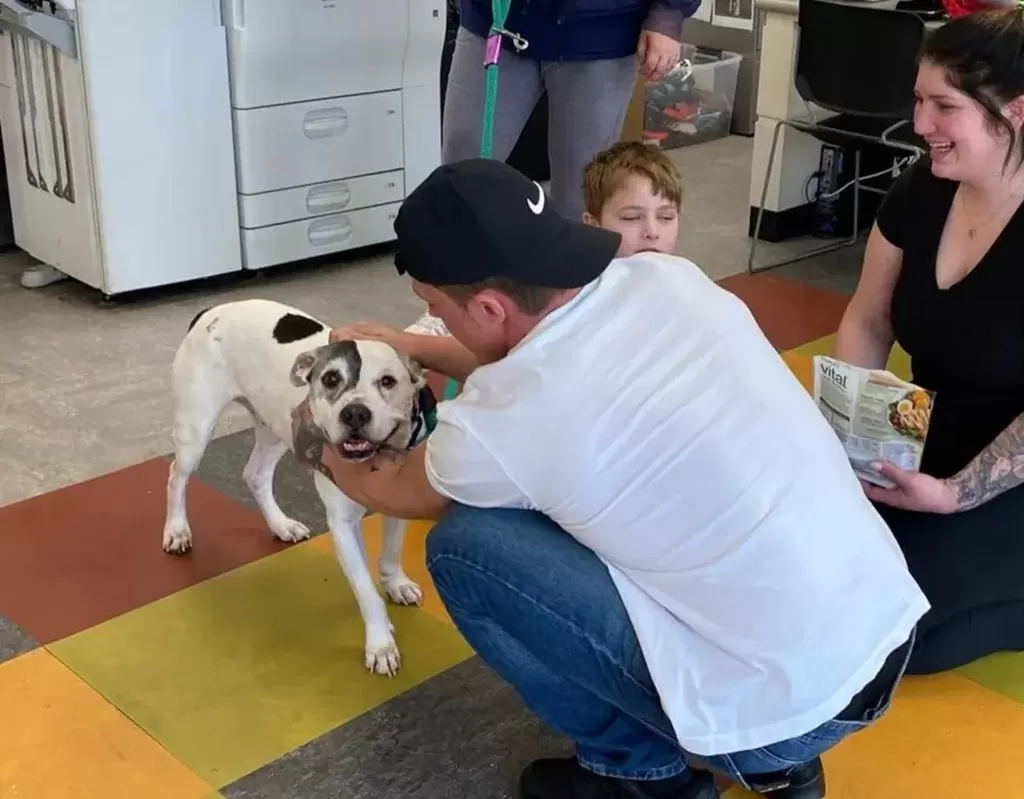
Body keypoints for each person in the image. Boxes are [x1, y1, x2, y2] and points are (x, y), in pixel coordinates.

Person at [298, 157, 930, 799]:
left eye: (433, 309)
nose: (432, 322)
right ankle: (777, 750)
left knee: (468, 546)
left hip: (783, 719)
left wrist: (304, 420)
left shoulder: (500, 426)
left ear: (488, 306)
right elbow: (537, 360)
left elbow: (387, 485)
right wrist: (416, 350)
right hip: (885, 627)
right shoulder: (664, 277)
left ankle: (641, 775)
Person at [832, 0, 1024, 676]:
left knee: (884, 638)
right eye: (917, 100)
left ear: (1015, 112)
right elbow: (868, 319)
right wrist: (848, 448)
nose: (920, 126)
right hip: (929, 442)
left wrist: (952, 495)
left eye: (943, 107)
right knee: (816, 582)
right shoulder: (922, 190)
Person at [443, 0, 699, 222]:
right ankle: (453, 276)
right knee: (461, 180)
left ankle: (573, 278)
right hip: (498, 23)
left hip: (601, 34)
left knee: (581, 198)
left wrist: (669, 11)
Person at [582, 140, 684, 257]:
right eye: (631, 218)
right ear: (593, 226)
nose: (652, 232)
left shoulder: (689, 274)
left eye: (666, 217)